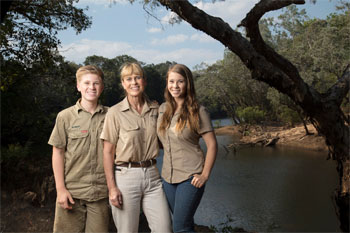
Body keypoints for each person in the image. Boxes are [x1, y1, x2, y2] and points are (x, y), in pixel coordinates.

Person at [101, 62, 172, 233]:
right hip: (126, 177)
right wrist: (112, 188)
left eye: (137, 77)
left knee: (164, 229)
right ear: (123, 84)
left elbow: (167, 140)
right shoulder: (114, 112)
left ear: (144, 81)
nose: (134, 82)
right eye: (129, 79)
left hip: (153, 176)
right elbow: (108, 152)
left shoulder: (156, 109)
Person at [48, 65, 109, 232]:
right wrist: (60, 189)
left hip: (101, 193)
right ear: (78, 86)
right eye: (87, 83)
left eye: (96, 83)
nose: (92, 87)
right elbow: (58, 153)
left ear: (102, 87)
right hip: (72, 192)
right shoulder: (65, 117)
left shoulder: (111, 116)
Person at [157, 63, 218, 232]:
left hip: (190, 178)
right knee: (185, 223)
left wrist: (205, 174)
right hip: (168, 178)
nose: (175, 86)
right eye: (171, 81)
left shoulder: (198, 111)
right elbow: (163, 141)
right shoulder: (163, 109)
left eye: (180, 81)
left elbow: (212, 145)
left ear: (188, 83)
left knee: (180, 227)